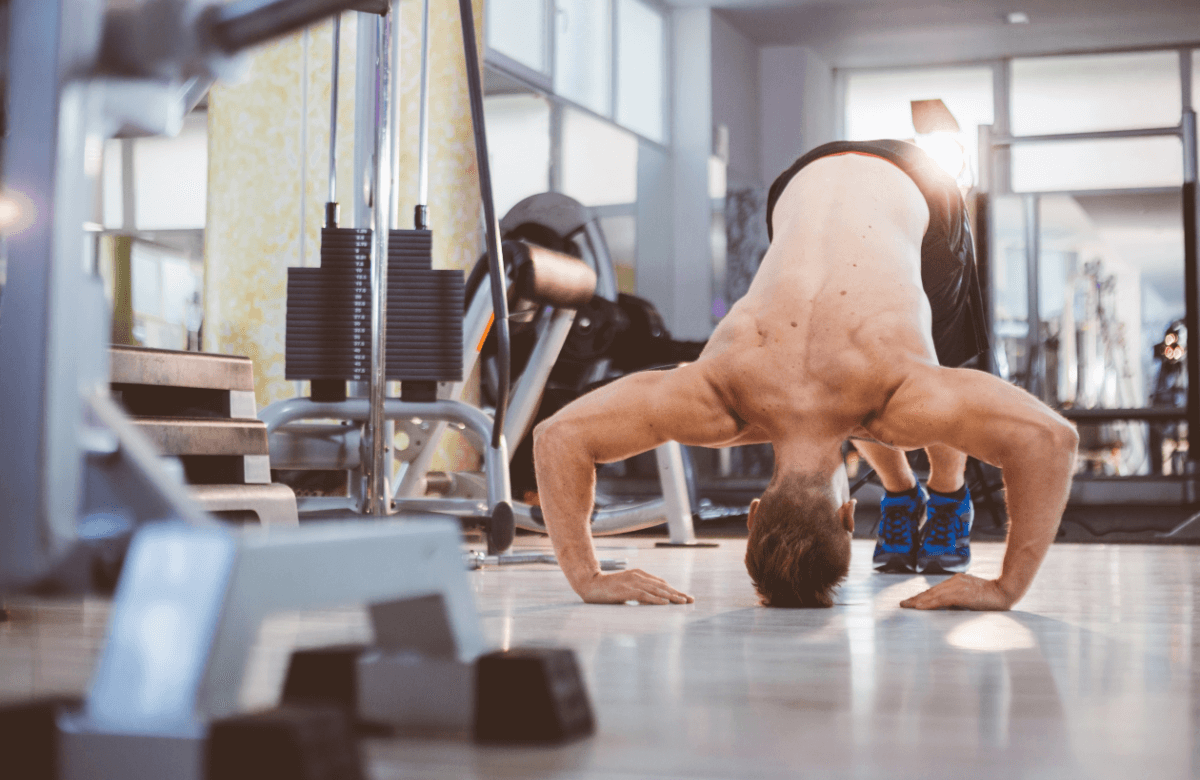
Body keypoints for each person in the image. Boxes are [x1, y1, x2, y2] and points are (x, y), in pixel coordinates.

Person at [531, 139, 1078, 611]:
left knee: (930, 374)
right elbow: (558, 437)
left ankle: (946, 495)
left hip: (920, 185)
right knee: (889, 401)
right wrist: (588, 577)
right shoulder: (712, 397)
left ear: (846, 514)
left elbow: (1051, 439)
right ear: (753, 514)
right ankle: (904, 495)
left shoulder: (896, 402)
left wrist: (1007, 588)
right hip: (798, 180)